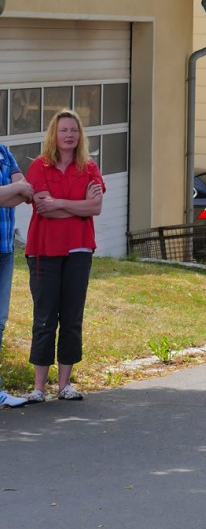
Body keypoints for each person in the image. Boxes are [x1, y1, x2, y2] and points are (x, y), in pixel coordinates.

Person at [25, 109, 105, 402]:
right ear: (53, 135)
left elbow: (95, 208)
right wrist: (78, 204)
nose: (69, 135)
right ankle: (38, 388)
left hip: (79, 250)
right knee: (44, 318)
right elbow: (42, 207)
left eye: (74, 130)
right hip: (43, 251)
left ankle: (64, 385)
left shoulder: (90, 168)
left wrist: (60, 204)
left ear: (80, 135)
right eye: (63, 130)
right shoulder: (39, 167)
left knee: (71, 317)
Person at [0, 144, 33, 407]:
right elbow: (19, 189)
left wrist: (13, 191)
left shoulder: (3, 150)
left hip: (5, 248)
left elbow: (25, 190)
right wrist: (16, 190)